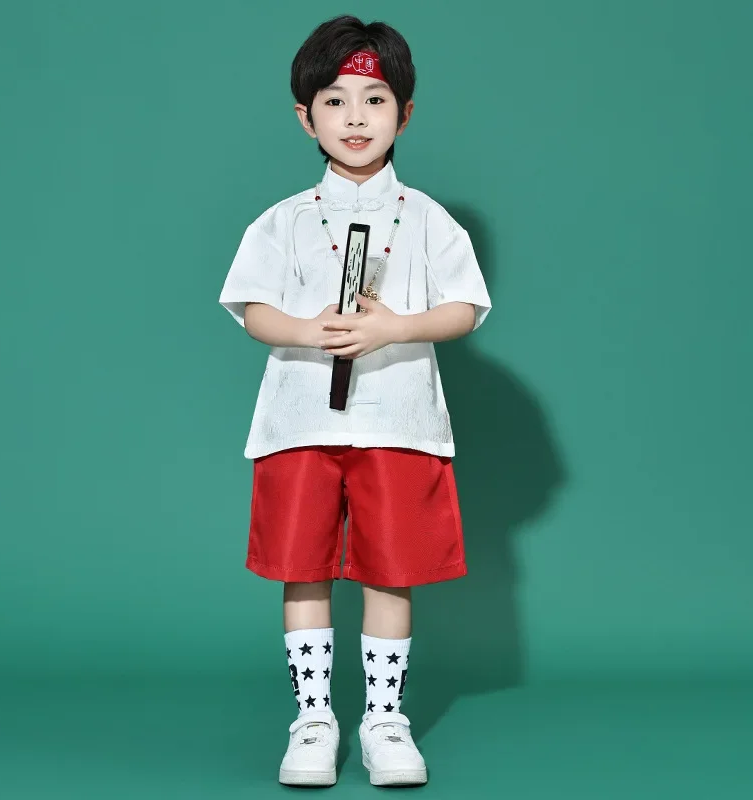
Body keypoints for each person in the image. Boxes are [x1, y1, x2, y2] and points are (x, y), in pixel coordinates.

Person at [218, 14, 491, 788]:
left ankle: (384, 719)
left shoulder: (429, 218)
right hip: (301, 419)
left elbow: (465, 307)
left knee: (389, 570)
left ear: (406, 113)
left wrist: (396, 327)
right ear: (306, 118)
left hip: (398, 422)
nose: (356, 117)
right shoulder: (283, 220)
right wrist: (308, 330)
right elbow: (252, 308)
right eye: (334, 101)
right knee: (302, 567)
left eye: (375, 100)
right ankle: (313, 719)